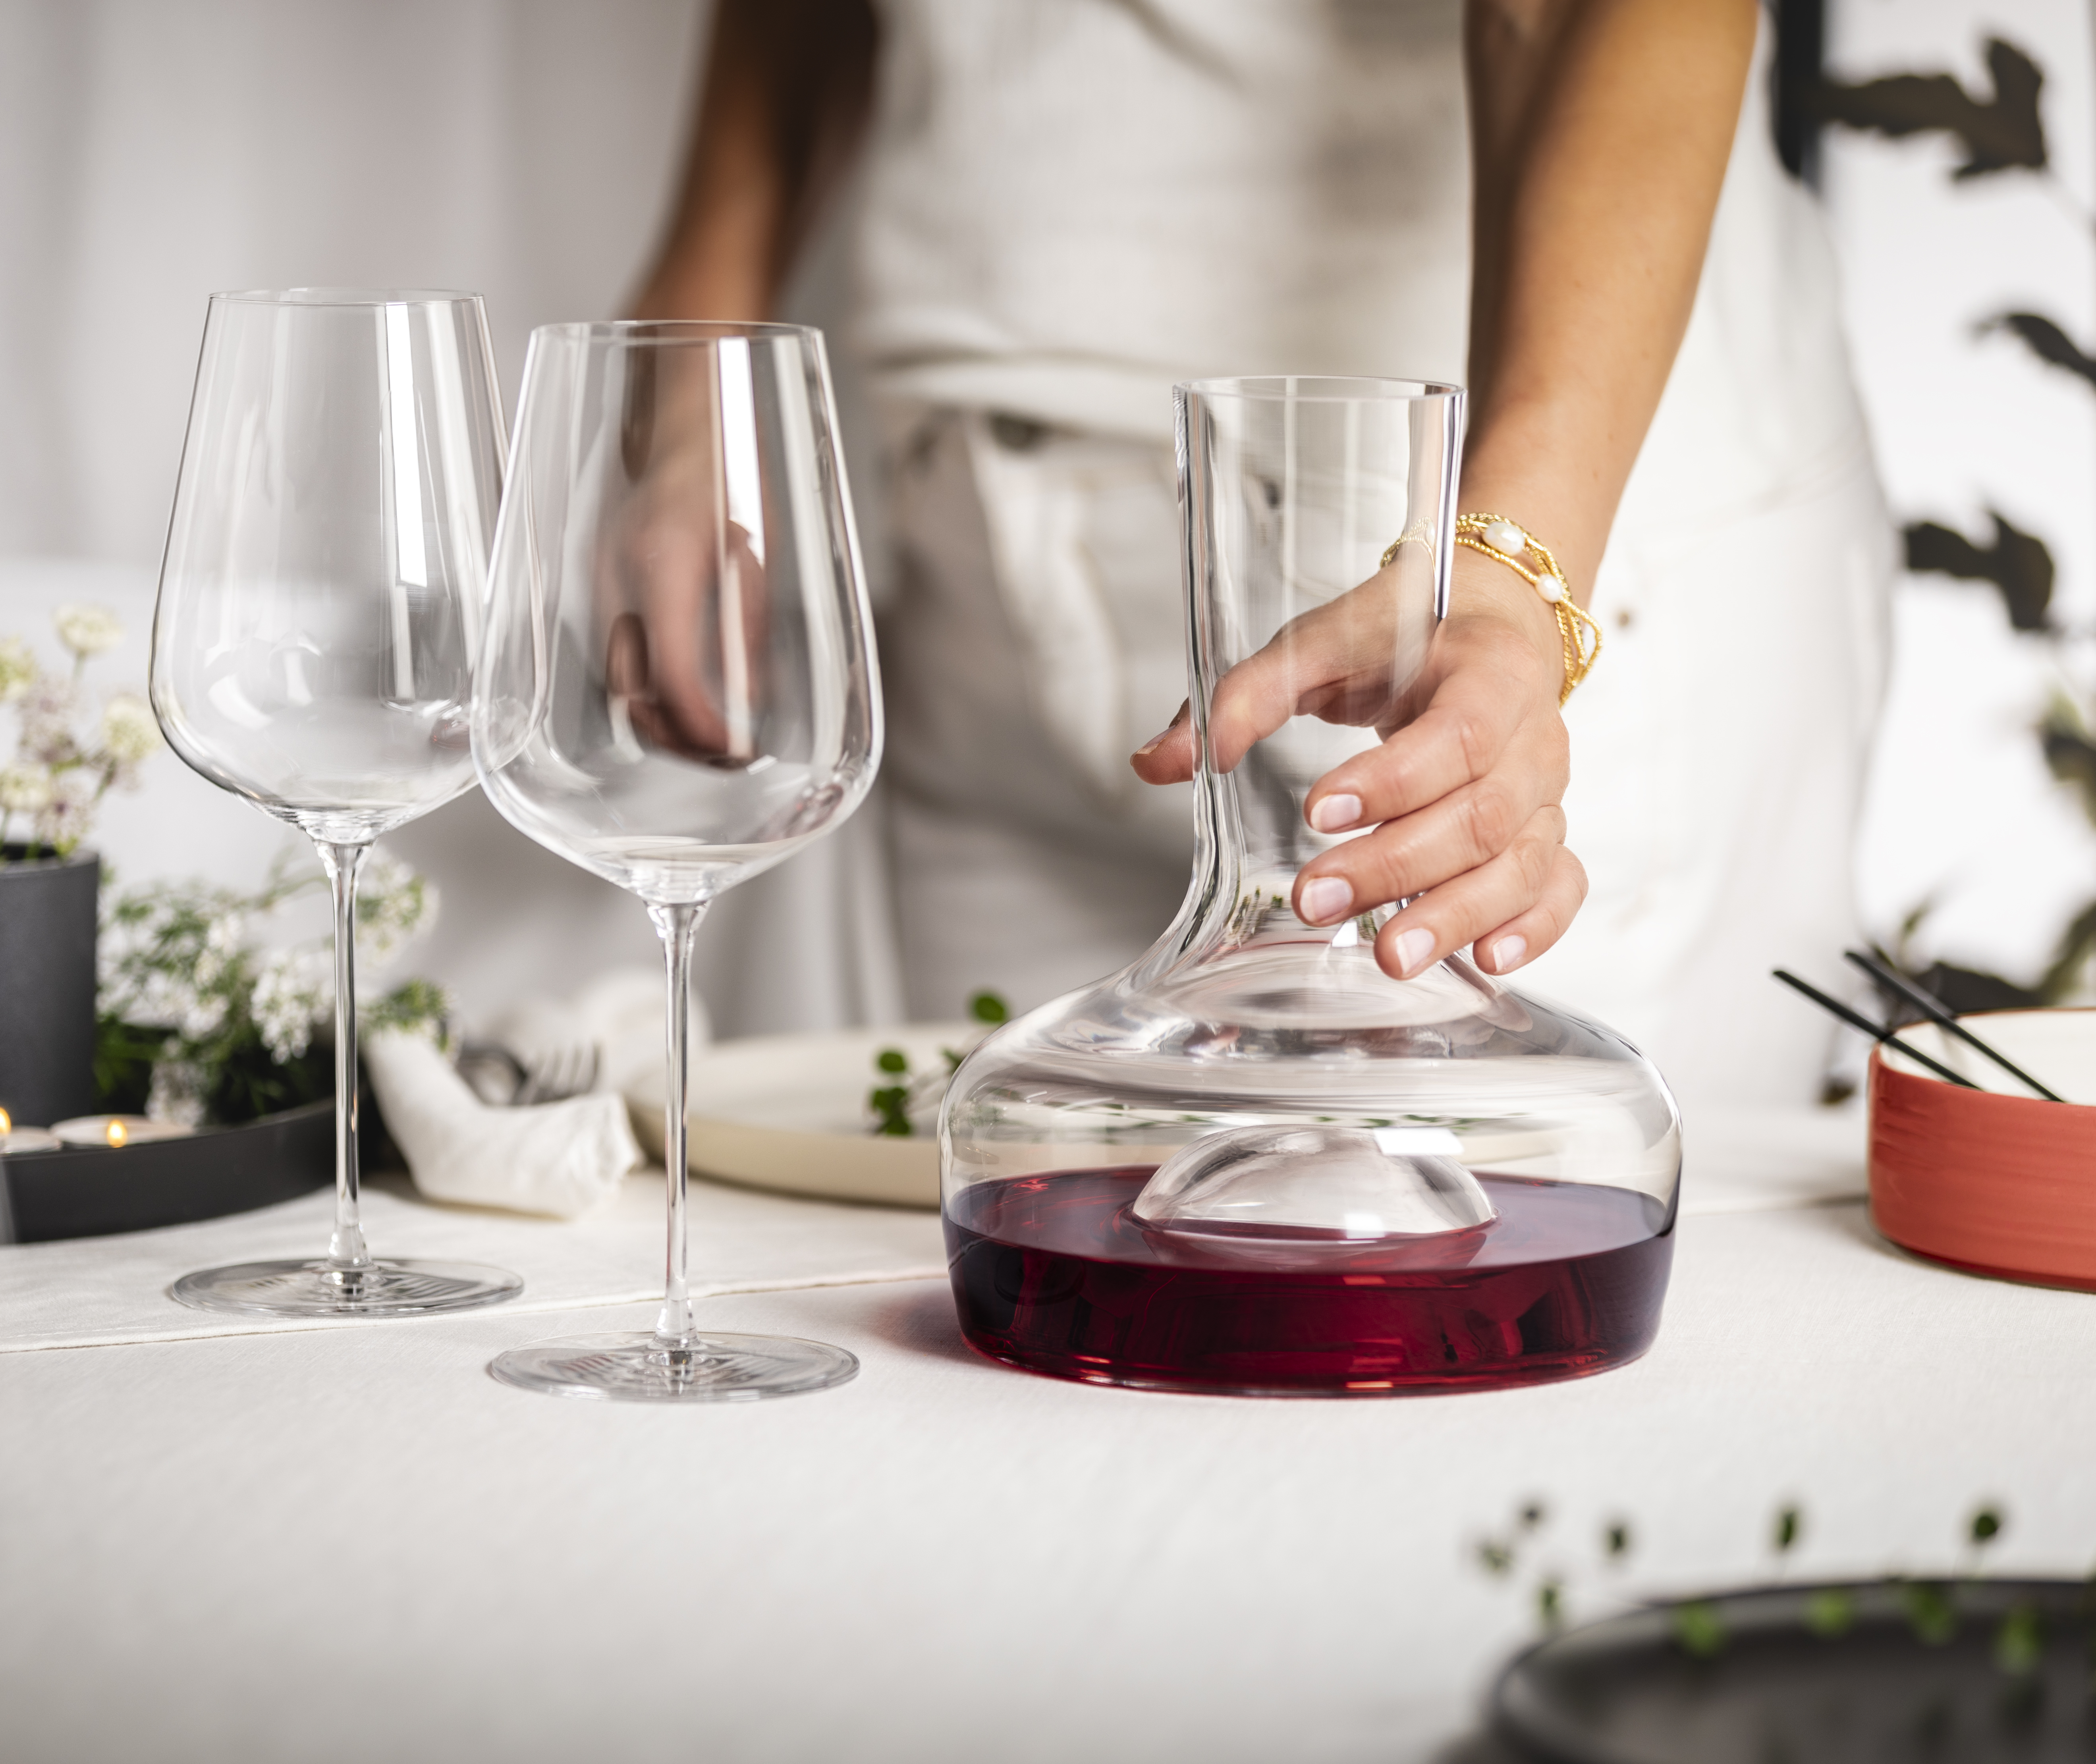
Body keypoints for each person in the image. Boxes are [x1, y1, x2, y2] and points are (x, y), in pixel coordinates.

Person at [628, 0, 1890, 1110]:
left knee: (1506, 1319)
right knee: (1048, 1308)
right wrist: (695, 329)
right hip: (982, 557)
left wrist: (1505, 576)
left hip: (1468, 571)